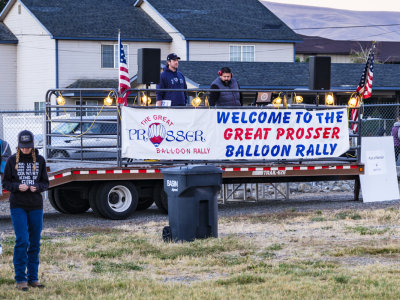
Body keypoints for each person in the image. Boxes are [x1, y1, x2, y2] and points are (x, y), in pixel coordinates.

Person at [3, 130, 49, 291]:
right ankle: (20, 279)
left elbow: (46, 183)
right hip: (18, 206)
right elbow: (6, 183)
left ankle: (33, 278)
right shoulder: (11, 161)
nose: (25, 150)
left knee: (35, 242)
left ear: (32, 146)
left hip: (36, 205)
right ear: (19, 146)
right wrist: (17, 186)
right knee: (22, 240)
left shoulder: (41, 161)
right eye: (23, 147)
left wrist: (37, 187)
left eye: (28, 147)